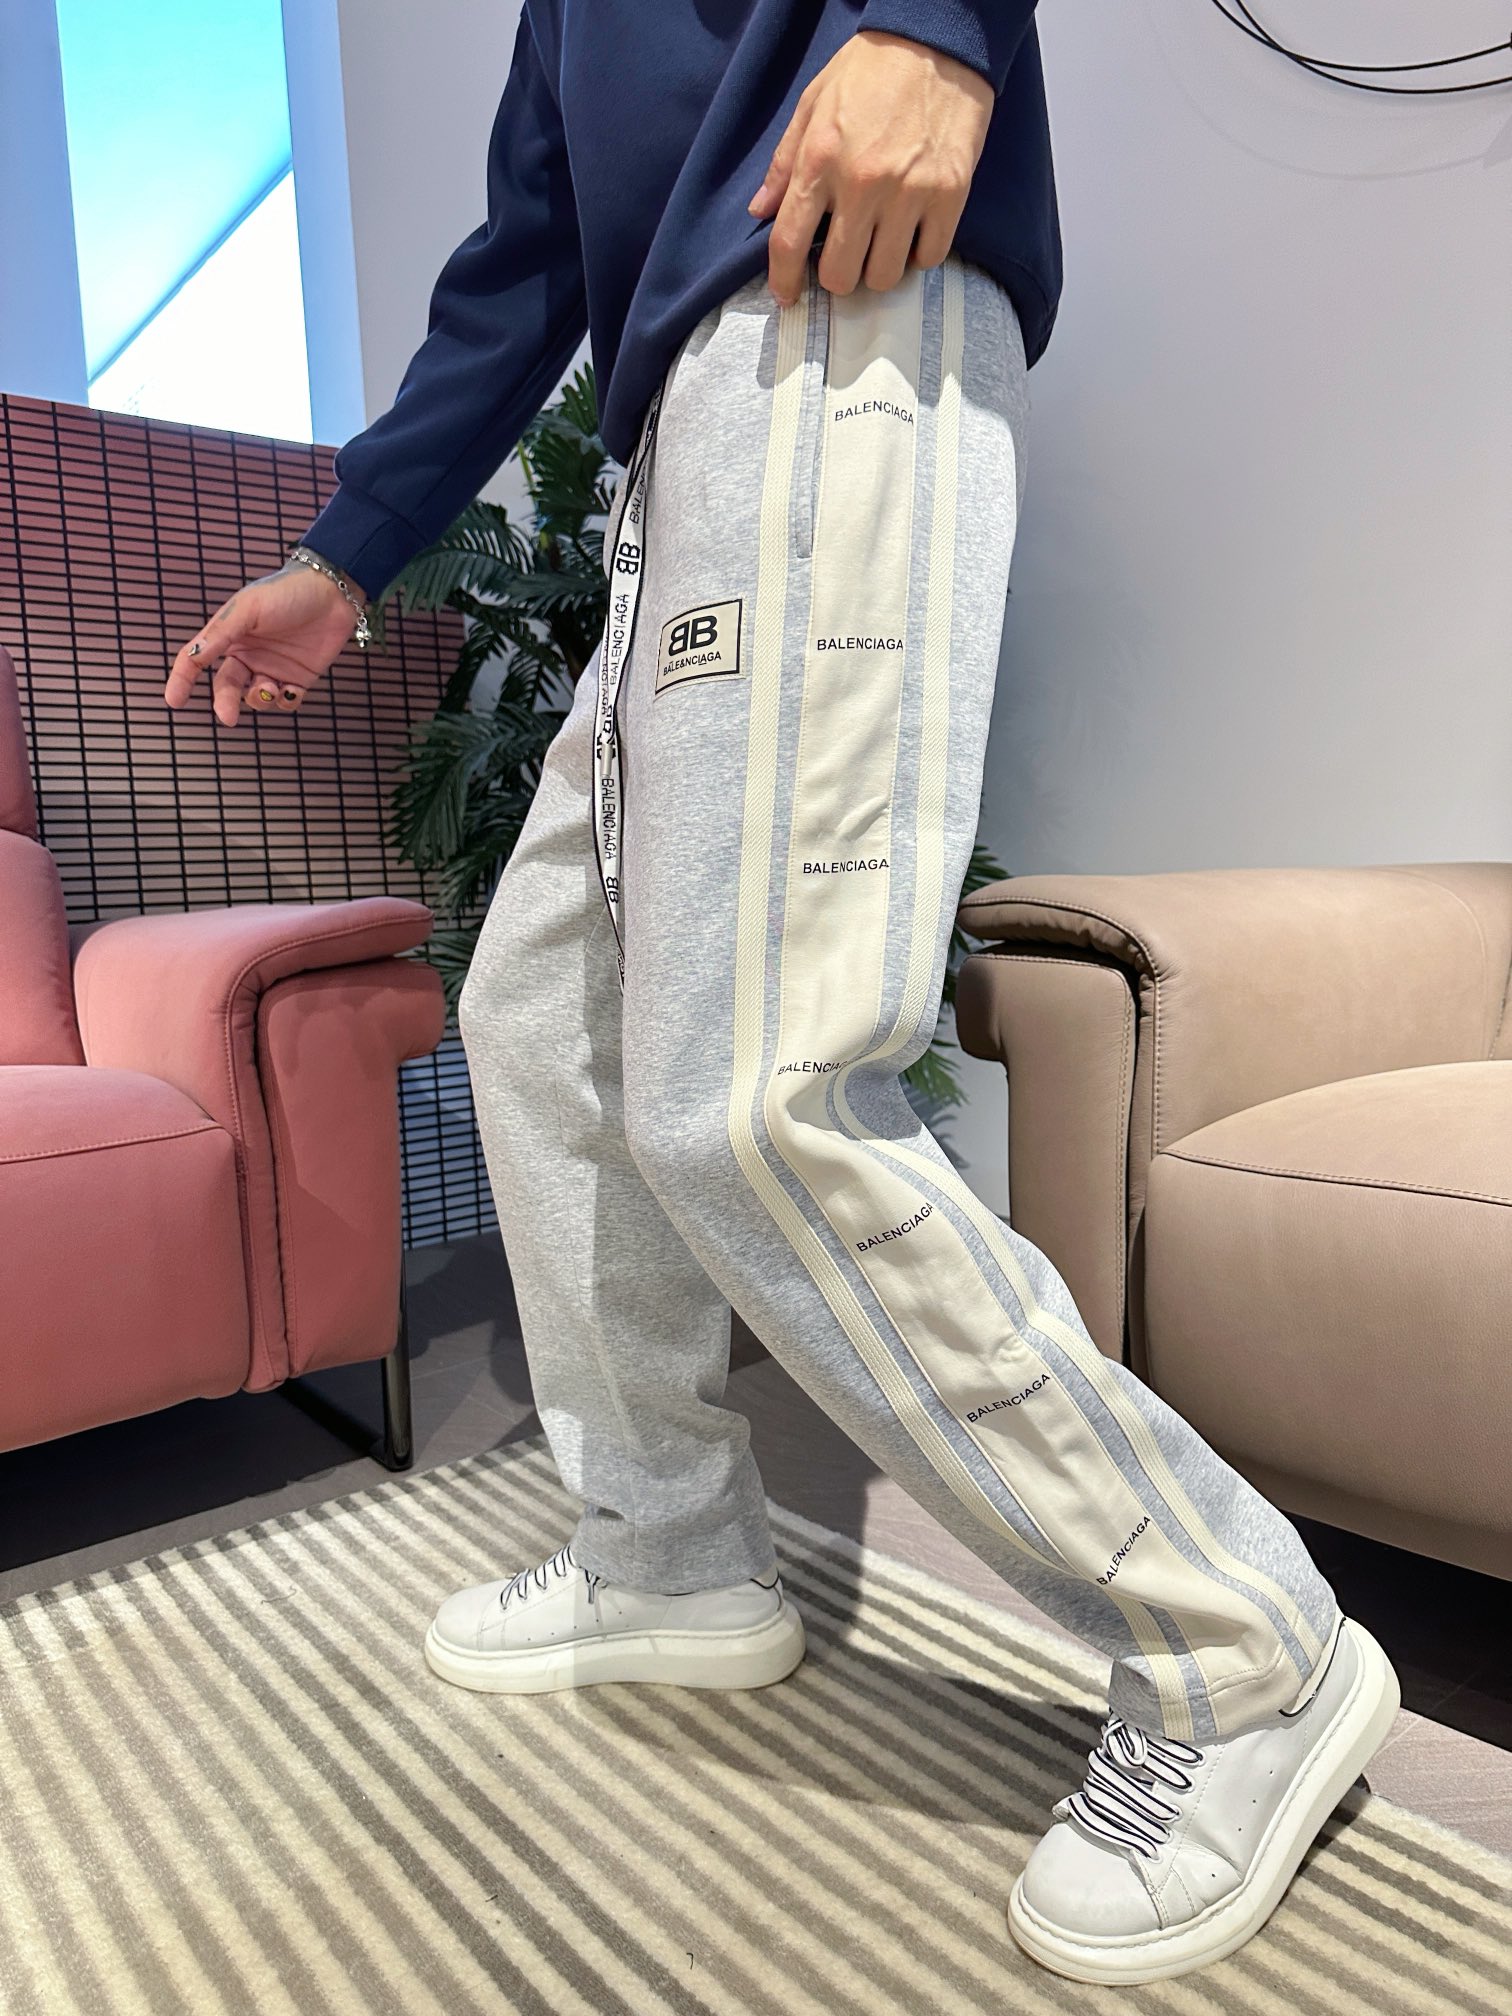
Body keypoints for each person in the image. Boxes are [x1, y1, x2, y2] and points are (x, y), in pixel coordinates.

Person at [164, 3, 1400, 1986]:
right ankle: (665, 1547)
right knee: (541, 1021)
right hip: (677, 435)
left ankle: (1239, 1646)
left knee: (758, 1092)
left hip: (825, 306)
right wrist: (350, 550)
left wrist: (936, 19)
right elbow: (524, 257)